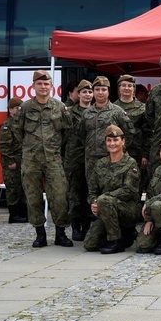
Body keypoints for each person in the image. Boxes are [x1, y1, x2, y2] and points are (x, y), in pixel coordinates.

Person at [12, 70, 73, 247]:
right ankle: (40, 234)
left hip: (53, 159)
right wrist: (28, 148)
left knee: (60, 196)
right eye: (40, 84)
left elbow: (67, 132)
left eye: (46, 84)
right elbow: (17, 130)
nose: (43, 87)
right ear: (34, 86)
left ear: (51, 86)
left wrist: (57, 150)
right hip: (31, 160)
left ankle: (60, 233)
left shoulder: (59, 107)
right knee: (33, 197)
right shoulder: (25, 108)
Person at [84, 125, 141, 254]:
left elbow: (129, 190)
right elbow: (92, 190)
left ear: (123, 141)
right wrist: (94, 202)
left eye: (116, 140)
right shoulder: (100, 164)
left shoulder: (130, 163)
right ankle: (124, 233)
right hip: (106, 209)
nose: (112, 144)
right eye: (109, 141)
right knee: (90, 244)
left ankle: (116, 241)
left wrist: (103, 199)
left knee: (104, 200)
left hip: (128, 209)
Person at [76, 76, 135, 181]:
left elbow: (129, 133)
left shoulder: (117, 112)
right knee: (92, 188)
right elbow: (81, 135)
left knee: (110, 187)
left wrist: (119, 150)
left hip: (111, 158)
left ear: (108, 92)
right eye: (97, 89)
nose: (100, 92)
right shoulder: (86, 113)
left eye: (104, 89)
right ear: (93, 92)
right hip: (91, 159)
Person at [65, 79, 94, 241]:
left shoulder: (96, 112)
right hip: (74, 159)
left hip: (91, 159)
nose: (88, 95)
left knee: (89, 194)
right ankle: (76, 228)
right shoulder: (69, 112)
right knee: (74, 195)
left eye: (90, 92)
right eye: (84, 92)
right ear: (78, 94)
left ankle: (87, 227)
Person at [0, 97, 28, 223]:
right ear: (11, 110)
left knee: (23, 188)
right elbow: (4, 146)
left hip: (23, 162)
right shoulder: (7, 125)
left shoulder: (22, 124)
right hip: (12, 163)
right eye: (17, 108)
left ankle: (22, 213)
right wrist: (10, 161)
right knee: (13, 189)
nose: (19, 111)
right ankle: (14, 215)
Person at [114, 75, 150, 169]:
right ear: (119, 88)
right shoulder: (112, 108)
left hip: (137, 154)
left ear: (134, 89)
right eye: (124, 85)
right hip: (116, 153)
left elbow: (148, 133)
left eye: (130, 86)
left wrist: (145, 155)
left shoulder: (142, 108)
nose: (127, 88)